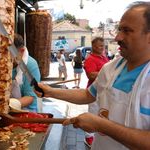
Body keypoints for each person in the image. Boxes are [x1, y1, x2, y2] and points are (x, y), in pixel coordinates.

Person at [35, 1, 150, 149]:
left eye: (127, 31)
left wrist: (101, 125)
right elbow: (88, 95)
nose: (117, 38)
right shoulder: (111, 67)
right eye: (119, 29)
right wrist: (50, 92)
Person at [83, 37, 109, 147]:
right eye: (100, 46)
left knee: (101, 114)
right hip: (94, 92)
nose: (103, 48)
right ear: (94, 46)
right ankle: (88, 137)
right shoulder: (90, 59)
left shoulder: (103, 57)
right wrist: (107, 72)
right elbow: (91, 75)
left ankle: (98, 134)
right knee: (93, 113)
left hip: (103, 91)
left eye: (103, 46)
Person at [11, 34, 41, 112]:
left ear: (21, 51)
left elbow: (30, 97)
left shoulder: (30, 65)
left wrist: (9, 105)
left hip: (27, 110)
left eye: (10, 53)